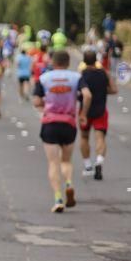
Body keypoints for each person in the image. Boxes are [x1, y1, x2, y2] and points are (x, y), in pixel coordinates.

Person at [32, 51, 82, 213]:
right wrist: (83, 113)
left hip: (50, 123)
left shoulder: (44, 78)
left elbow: (36, 101)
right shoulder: (76, 78)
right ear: (68, 62)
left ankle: (58, 198)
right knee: (66, 161)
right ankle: (69, 183)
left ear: (53, 62)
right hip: (69, 122)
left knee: (53, 163)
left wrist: (45, 106)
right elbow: (87, 95)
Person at [78, 50, 117, 180]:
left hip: (85, 111)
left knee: (84, 137)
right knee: (100, 137)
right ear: (96, 60)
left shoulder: (82, 75)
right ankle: (99, 161)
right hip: (100, 110)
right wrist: (102, 91)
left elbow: (79, 93)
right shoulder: (104, 73)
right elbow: (114, 90)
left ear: (84, 61)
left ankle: (88, 166)